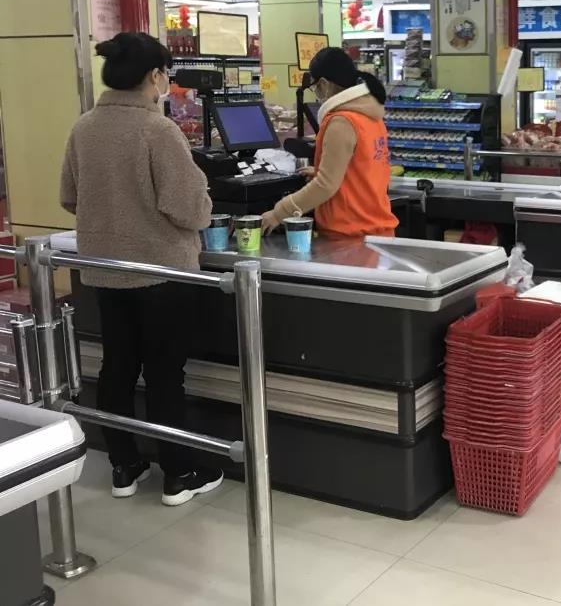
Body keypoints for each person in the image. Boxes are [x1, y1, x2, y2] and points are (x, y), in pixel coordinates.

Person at [59, 32, 222, 506]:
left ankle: (123, 466)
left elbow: (69, 197)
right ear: (154, 75)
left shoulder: (84, 128)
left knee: (117, 369)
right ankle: (179, 474)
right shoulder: (157, 130)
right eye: (165, 73)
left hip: (105, 270)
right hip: (163, 275)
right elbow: (189, 210)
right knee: (165, 374)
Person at [262, 48, 398, 238]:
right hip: (376, 230)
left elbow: (325, 185)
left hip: (351, 236)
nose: (316, 93)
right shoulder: (370, 115)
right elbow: (365, 168)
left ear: (324, 84)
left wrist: (278, 213)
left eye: (314, 87)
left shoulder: (342, 121)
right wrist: (322, 170)